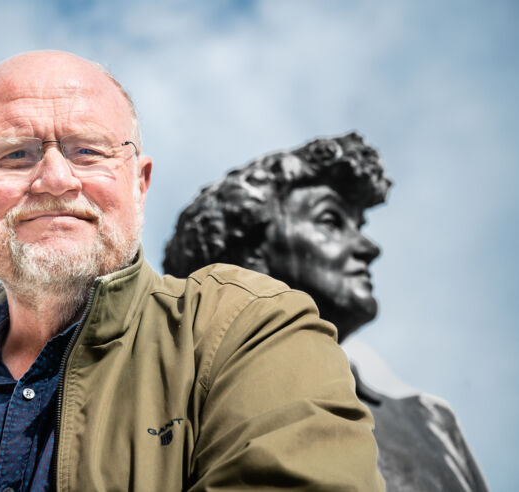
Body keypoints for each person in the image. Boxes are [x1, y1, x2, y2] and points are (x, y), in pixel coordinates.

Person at [0, 52, 383, 491]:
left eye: (88, 151)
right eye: (13, 154)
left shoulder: (251, 329)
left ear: (140, 183)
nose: (54, 180)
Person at [163, 132, 489, 491]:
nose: (369, 247)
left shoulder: (431, 423)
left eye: (358, 226)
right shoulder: (162, 413)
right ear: (250, 255)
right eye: (330, 221)